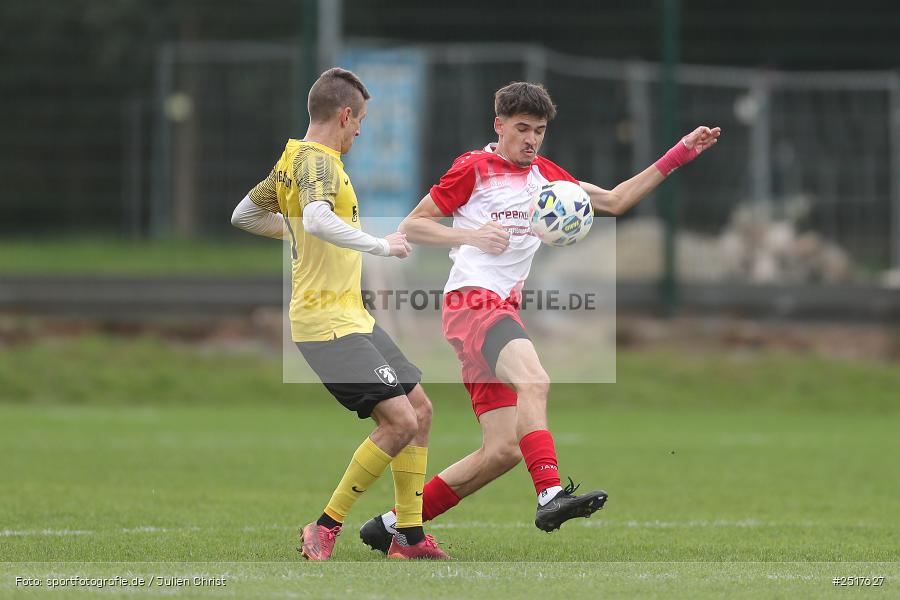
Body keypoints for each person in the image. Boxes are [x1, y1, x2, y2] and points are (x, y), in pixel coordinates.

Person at [360, 81, 720, 551]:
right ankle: (550, 493)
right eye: (522, 129)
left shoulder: (547, 178)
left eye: (539, 131)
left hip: (497, 311)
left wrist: (679, 154)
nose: (530, 140)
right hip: (472, 303)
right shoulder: (475, 168)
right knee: (535, 380)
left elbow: (614, 200)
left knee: (502, 451)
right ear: (499, 125)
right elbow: (412, 225)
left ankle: (392, 526)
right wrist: (470, 237)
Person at [231, 67, 450, 560]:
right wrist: (379, 245)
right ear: (345, 114)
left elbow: (243, 215)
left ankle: (409, 537)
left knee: (420, 411)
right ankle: (324, 526)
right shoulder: (320, 162)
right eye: (361, 121)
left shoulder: (292, 161)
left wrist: (296, 234)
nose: (360, 131)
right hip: (325, 324)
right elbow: (315, 217)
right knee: (398, 423)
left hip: (351, 317)